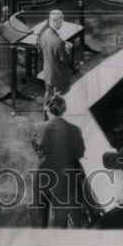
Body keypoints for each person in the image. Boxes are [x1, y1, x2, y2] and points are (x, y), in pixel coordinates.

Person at [32, 94, 86, 228]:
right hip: (64, 180)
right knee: (61, 220)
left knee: (40, 217)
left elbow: (35, 144)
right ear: (64, 109)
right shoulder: (75, 130)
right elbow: (80, 153)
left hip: (43, 176)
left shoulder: (39, 127)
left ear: (49, 110)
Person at [37, 9, 74, 101]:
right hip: (59, 77)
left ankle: (46, 113)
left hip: (48, 73)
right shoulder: (59, 42)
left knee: (48, 95)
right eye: (62, 21)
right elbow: (66, 60)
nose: (62, 23)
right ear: (58, 21)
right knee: (59, 100)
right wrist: (68, 50)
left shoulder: (44, 33)